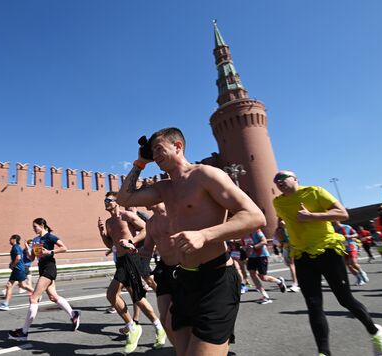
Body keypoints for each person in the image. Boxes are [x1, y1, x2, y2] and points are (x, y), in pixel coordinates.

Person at [117, 127, 266, 356]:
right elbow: (124, 198)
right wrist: (139, 163)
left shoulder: (205, 175)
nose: (155, 155)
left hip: (215, 279)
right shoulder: (164, 188)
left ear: (178, 146)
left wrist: (204, 235)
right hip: (184, 279)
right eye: (152, 151)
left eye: (159, 149)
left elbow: (255, 216)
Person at [272, 170, 382, 356]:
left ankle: (375, 332)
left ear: (295, 179)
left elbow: (342, 214)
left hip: (328, 250)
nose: (278, 181)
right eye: (275, 180)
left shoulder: (315, 191)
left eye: (282, 178)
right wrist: (279, 232)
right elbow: (281, 221)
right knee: (313, 304)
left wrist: (312, 216)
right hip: (302, 255)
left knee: (345, 300)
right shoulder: (277, 202)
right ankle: (324, 352)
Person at [99, 192, 166, 353]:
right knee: (135, 297)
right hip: (121, 260)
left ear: (116, 202)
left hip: (132, 257)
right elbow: (110, 245)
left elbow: (145, 229)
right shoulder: (108, 222)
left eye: (109, 200)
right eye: (105, 200)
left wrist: (131, 241)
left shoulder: (126, 215)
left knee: (117, 294)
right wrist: (102, 233)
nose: (106, 202)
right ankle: (154, 326)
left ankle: (137, 326)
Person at [8, 218, 80, 341]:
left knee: (33, 298)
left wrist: (50, 252)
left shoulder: (50, 237)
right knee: (53, 297)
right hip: (42, 268)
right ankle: (74, 314)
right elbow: (32, 258)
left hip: (49, 268)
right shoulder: (36, 240)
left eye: (35, 226)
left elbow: (64, 248)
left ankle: (24, 332)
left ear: (42, 225)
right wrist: (27, 250)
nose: (33, 229)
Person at [139, 201, 175, 346]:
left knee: (177, 316)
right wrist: (135, 252)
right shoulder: (151, 222)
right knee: (165, 319)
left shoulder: (175, 214)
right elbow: (148, 248)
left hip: (183, 267)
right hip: (164, 267)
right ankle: (180, 349)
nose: (142, 199)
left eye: (145, 195)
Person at [241, 229, 287, 304]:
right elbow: (244, 246)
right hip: (251, 257)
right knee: (252, 274)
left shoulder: (256, 231)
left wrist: (253, 247)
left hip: (262, 255)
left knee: (263, 277)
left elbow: (264, 241)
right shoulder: (243, 234)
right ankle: (265, 295)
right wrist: (246, 250)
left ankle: (279, 281)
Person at [0, 235, 36, 311]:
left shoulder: (16, 247)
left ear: (14, 239)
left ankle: (6, 304)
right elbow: (17, 257)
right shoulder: (17, 247)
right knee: (22, 285)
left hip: (18, 269)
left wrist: (13, 265)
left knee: (9, 285)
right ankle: (36, 293)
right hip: (19, 269)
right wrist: (12, 263)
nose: (9, 240)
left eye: (10, 239)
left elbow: (18, 257)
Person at [333, 222, 369, 286]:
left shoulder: (347, 227)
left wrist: (350, 236)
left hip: (351, 246)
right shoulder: (331, 229)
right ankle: (358, 278)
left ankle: (362, 272)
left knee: (353, 263)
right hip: (342, 248)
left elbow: (356, 234)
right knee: (348, 265)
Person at [274, 219, 300, 292]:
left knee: (292, 264)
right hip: (287, 245)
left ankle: (295, 284)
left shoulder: (284, 222)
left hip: (291, 245)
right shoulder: (281, 225)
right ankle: (297, 280)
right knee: (291, 264)